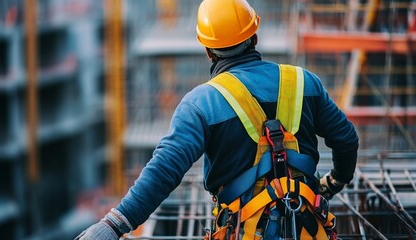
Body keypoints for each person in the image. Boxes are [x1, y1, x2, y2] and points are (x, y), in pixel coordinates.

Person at [75, 0, 359, 239]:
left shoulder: (201, 103)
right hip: (308, 226)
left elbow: (165, 170)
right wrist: (333, 182)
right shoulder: (304, 82)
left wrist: (114, 224)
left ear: (207, 49)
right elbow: (346, 140)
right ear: (254, 37)